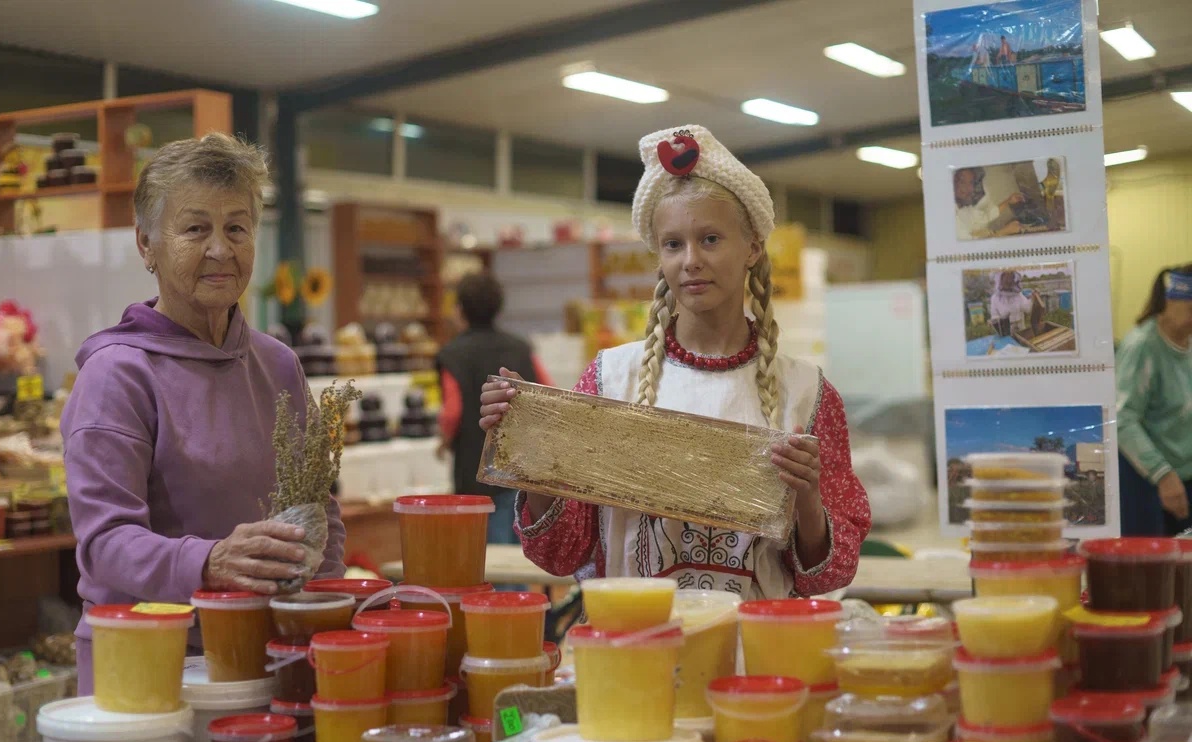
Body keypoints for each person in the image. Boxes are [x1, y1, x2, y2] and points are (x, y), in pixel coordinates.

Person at [478, 126, 870, 598]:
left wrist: (807, 499)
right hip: (632, 650)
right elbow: (562, 554)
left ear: (752, 248)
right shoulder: (609, 380)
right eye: (672, 244)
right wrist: (532, 451)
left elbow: (829, 574)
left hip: (749, 658)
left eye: (709, 239)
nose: (690, 260)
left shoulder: (808, 395)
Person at [61, 133, 345, 695]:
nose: (221, 249)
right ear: (147, 244)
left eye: (236, 228)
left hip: (266, 653)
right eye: (195, 229)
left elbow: (319, 512)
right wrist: (210, 562)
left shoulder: (278, 365)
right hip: (149, 665)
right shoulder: (118, 374)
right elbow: (105, 543)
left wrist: (323, 611)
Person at [437, 273, 554, 544]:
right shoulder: (521, 348)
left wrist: (442, 442)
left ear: (460, 309)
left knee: (489, 550)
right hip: (519, 460)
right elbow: (547, 390)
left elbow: (452, 411)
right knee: (521, 542)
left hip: (475, 465)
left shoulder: (452, 353)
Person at [1116, 264, 1192, 536]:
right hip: (1151, 479)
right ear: (1173, 300)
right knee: (1157, 569)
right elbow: (1122, 419)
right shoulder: (1142, 347)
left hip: (1184, 473)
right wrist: (1163, 476)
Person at [954, 167, 1025, 240]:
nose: (970, 189)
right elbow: (972, 246)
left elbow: (985, 217)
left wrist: (1008, 201)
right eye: (962, 182)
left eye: (971, 183)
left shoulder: (965, 209)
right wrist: (1003, 232)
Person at [990, 270, 1033, 338]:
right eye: (1007, 280)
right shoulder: (995, 298)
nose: (1008, 282)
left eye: (1011, 279)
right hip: (1005, 333)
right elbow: (994, 317)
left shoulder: (1019, 295)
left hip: (1021, 328)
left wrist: (1032, 299)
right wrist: (999, 321)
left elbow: (1028, 309)